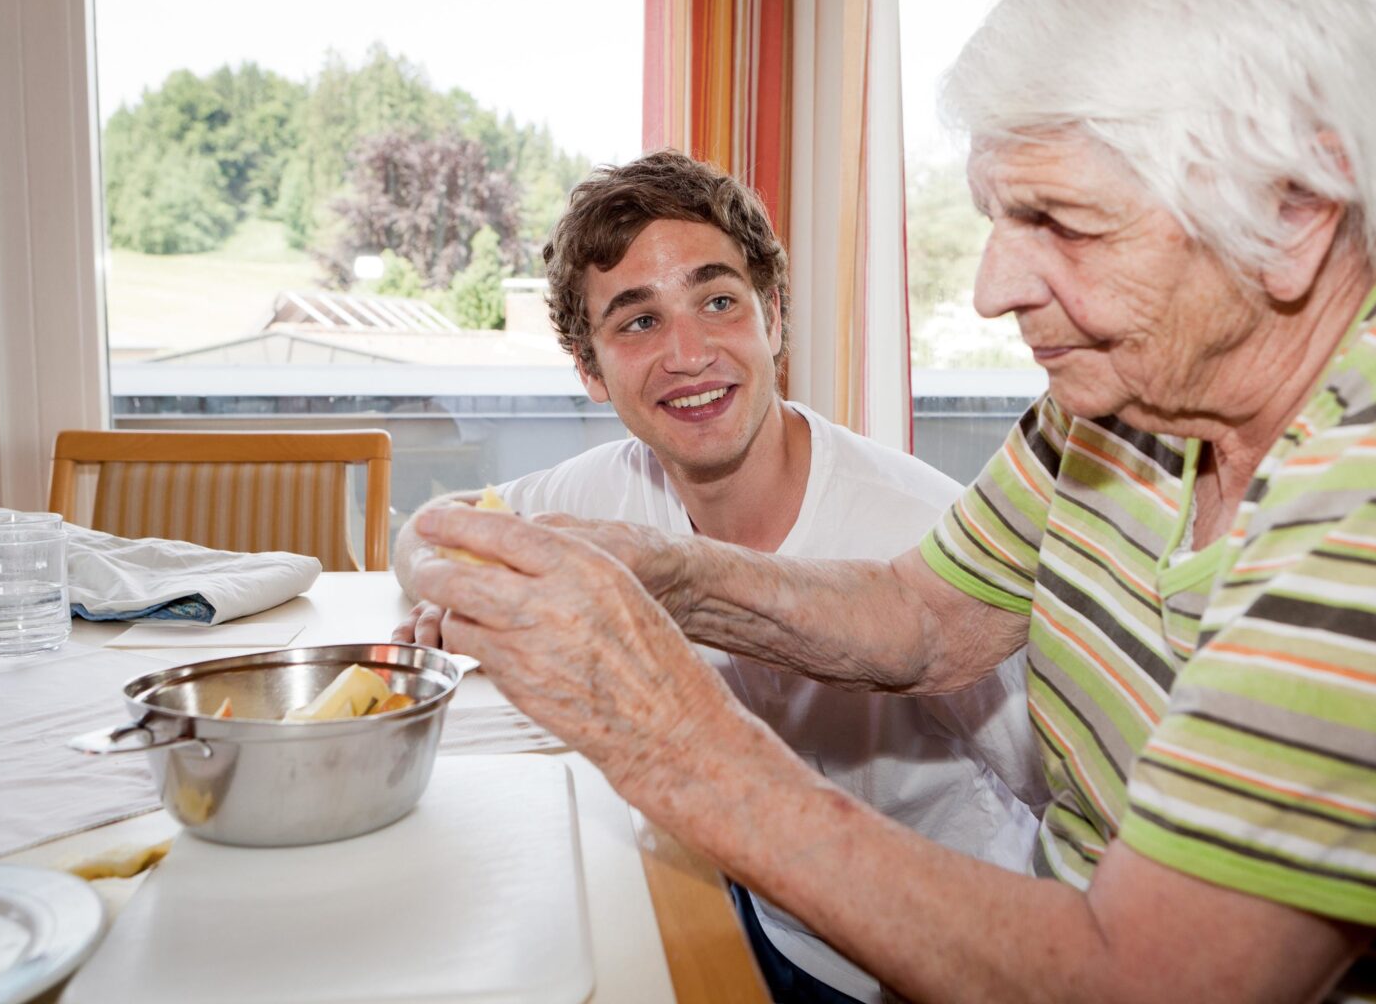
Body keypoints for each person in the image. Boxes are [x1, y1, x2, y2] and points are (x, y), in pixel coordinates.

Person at [407, 0, 1376, 998]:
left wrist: (661, 733)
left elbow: (1148, 981)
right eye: (997, 218)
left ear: (1297, 209)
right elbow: (924, 617)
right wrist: (673, 577)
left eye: (1060, 223)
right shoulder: (1146, 372)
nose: (989, 290)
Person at [392, 150, 1048, 1002]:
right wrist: (457, 581)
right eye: (638, 322)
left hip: (918, 964)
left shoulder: (919, 532)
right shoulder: (614, 489)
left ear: (773, 317)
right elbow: (424, 535)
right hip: (750, 905)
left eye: (718, 301)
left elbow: (1060, 803)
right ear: (591, 370)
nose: (689, 353)